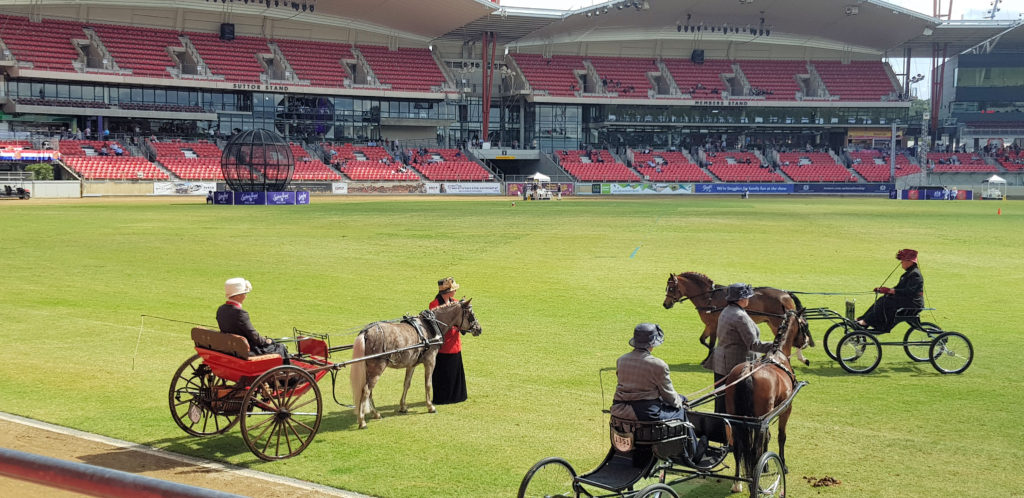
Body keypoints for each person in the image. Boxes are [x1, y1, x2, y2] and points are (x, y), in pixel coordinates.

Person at [610, 323, 702, 459]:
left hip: (618, 409)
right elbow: (669, 395)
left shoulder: (621, 360)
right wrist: (680, 402)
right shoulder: (658, 365)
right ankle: (693, 453)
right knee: (680, 411)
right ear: (652, 344)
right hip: (644, 414)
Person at [708, 283, 774, 413]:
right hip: (735, 366)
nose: (749, 299)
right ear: (741, 299)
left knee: (722, 404)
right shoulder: (740, 316)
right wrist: (777, 345)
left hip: (722, 362)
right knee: (737, 407)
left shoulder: (727, 310)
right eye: (747, 297)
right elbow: (754, 345)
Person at [216, 278, 289, 359]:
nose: (246, 296)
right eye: (245, 293)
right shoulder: (240, 313)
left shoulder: (220, 309)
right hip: (247, 351)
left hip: (231, 348)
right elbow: (254, 336)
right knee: (280, 347)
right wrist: (267, 341)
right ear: (238, 295)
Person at [856, 249, 924, 332]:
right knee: (882, 300)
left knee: (886, 302)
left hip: (913, 303)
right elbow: (899, 288)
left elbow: (909, 291)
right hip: (908, 300)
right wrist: (885, 290)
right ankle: (863, 319)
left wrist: (890, 291)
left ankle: (868, 322)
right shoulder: (909, 273)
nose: (901, 262)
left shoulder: (915, 274)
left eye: (903, 261)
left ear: (910, 262)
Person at [429, 277, 468, 405]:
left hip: (455, 341)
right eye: (453, 290)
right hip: (443, 344)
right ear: (447, 292)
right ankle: (443, 397)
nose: (455, 292)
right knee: (443, 371)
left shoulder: (456, 302)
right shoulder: (434, 305)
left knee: (455, 369)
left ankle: (457, 395)